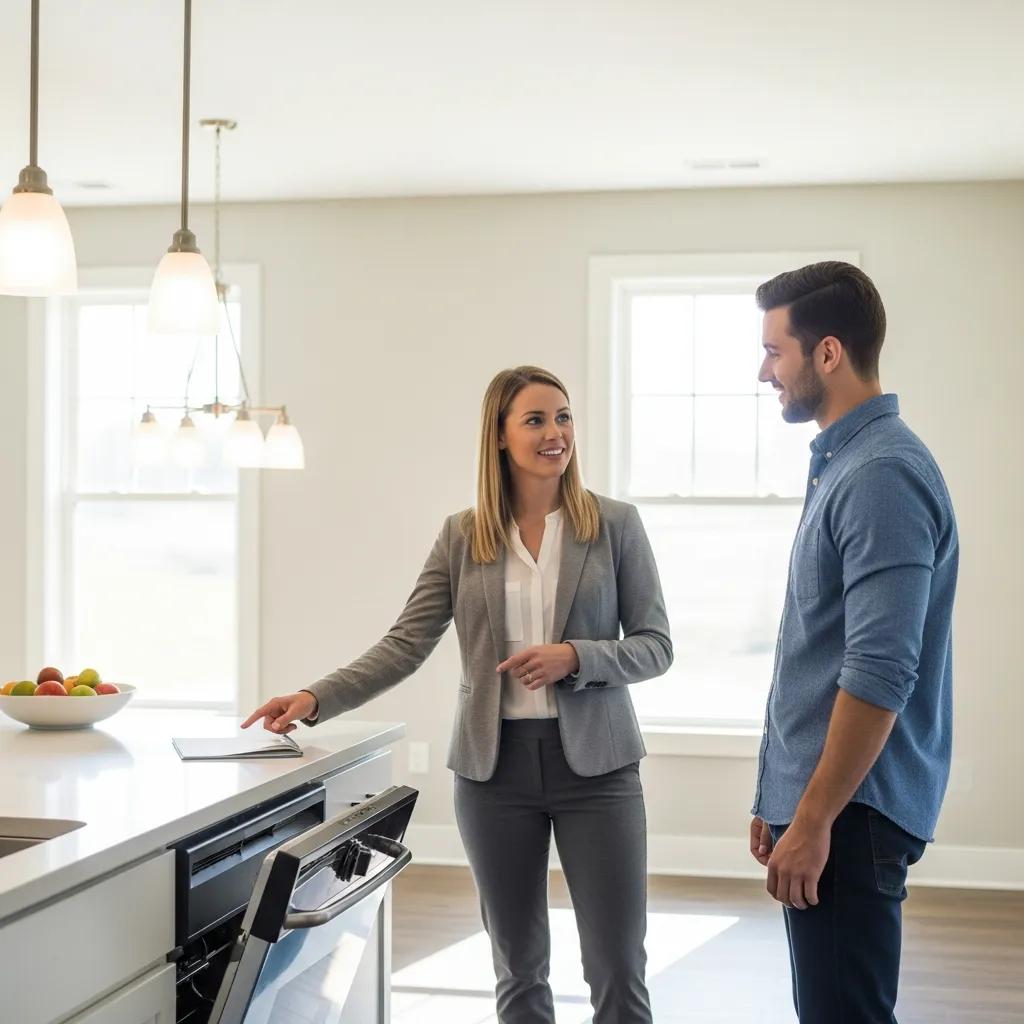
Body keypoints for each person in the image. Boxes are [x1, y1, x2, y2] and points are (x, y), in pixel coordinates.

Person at [243, 365, 672, 1024]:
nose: (556, 433)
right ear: (499, 436)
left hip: (600, 771)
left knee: (616, 965)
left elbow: (655, 645)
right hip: (492, 773)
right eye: (535, 420)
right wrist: (314, 696)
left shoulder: (614, 526)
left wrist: (576, 657)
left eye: (563, 417)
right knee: (517, 967)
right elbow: (405, 644)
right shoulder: (462, 536)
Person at [749, 262, 959, 1023]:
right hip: (832, 805)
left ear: (827, 353)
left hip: (851, 814)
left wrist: (811, 821)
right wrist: (778, 795)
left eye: (776, 351)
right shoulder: (847, 465)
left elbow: (879, 672)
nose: (763, 370)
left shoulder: (880, 475)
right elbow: (821, 649)